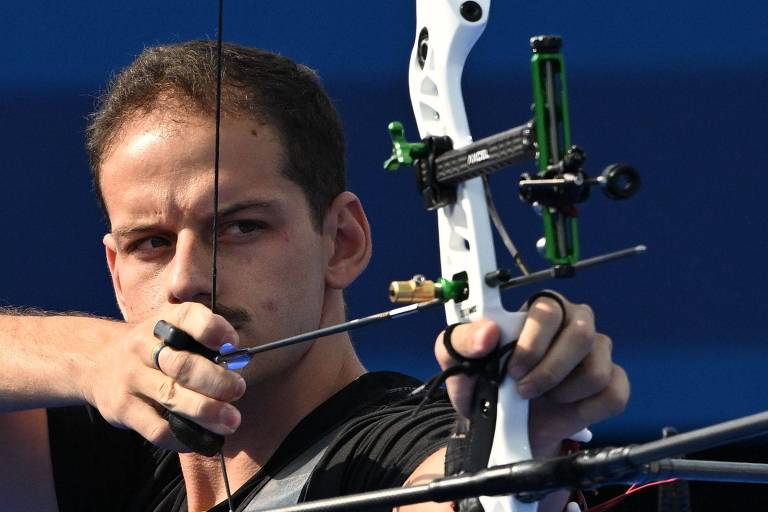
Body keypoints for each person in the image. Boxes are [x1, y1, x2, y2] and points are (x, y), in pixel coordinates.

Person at [0, 41, 629, 512]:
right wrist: (91, 356)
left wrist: (518, 445)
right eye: (151, 243)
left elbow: (447, 494)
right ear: (114, 270)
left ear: (343, 242)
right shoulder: (133, 450)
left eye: (240, 227)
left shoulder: (393, 449)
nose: (187, 279)